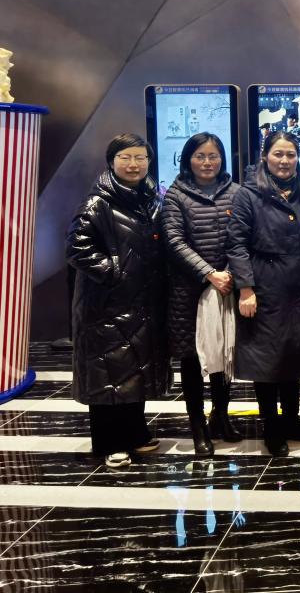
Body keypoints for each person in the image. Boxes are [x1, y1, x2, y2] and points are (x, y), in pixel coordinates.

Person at [66, 134, 167, 468]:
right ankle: (109, 443)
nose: (133, 164)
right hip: (105, 305)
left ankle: (136, 433)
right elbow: (77, 249)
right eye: (126, 157)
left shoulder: (148, 198)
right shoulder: (98, 202)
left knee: (134, 370)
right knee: (107, 373)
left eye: (140, 158)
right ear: (112, 162)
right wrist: (113, 273)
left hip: (140, 301)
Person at [227, 131, 300, 456]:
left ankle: (292, 419)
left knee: (294, 354)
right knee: (267, 360)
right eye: (278, 154)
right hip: (265, 283)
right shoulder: (247, 195)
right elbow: (236, 243)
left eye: (290, 155)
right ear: (265, 157)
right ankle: (271, 426)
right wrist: (246, 288)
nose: (284, 161)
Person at [160, 133, 241, 457]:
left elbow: (242, 236)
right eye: (200, 156)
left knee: (224, 353)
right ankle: (198, 426)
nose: (207, 162)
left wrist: (230, 273)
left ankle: (221, 416)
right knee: (192, 360)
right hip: (189, 292)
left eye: (213, 156)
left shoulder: (236, 192)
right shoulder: (175, 195)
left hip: (226, 287)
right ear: (188, 160)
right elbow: (174, 241)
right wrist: (209, 273)